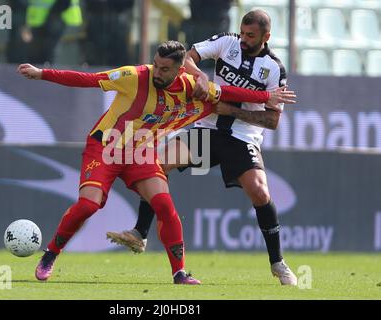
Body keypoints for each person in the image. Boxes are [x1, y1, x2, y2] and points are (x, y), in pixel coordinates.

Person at [17, 40, 295, 285]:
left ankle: (179, 273)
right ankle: (51, 253)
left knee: (164, 203)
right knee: (89, 204)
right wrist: (42, 74)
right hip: (106, 147)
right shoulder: (133, 76)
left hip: (140, 153)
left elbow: (229, 93)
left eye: (164, 69)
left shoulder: (192, 88)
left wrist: (266, 97)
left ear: (179, 70)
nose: (157, 72)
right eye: (155, 65)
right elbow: (86, 79)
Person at [106, 10, 299, 286]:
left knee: (259, 192)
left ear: (266, 37)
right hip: (206, 130)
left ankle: (278, 263)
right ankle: (140, 233)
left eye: (251, 36)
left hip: (242, 138)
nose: (243, 40)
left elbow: (272, 120)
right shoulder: (227, 42)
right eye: (242, 33)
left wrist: (229, 110)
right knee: (157, 164)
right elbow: (187, 58)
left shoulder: (274, 68)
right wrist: (200, 77)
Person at [26, 0, 82, 64]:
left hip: (59, 17)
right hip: (39, 20)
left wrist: (53, 14)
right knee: (39, 52)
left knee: (49, 52)